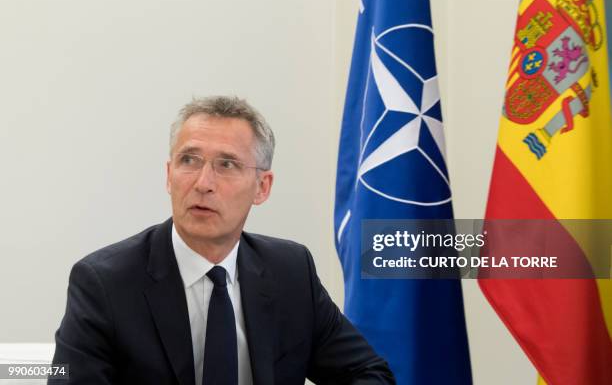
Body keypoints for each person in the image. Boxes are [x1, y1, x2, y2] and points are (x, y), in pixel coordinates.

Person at [50, 96, 395, 385]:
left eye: (226, 164)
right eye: (189, 160)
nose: (203, 182)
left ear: (263, 187)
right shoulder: (105, 283)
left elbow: (369, 374)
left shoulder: (290, 272)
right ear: (169, 176)